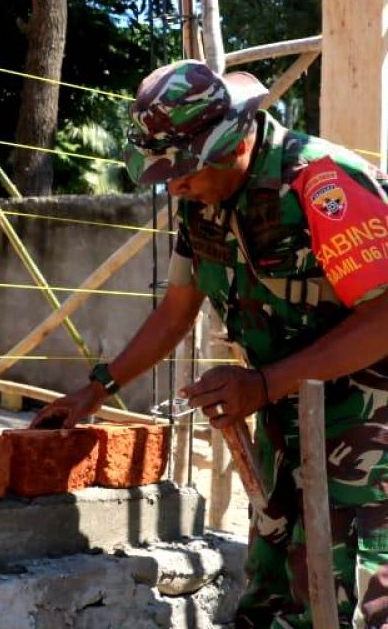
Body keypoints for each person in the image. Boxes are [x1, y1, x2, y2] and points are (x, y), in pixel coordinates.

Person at [33, 60, 388, 628]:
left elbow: (385, 315)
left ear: (234, 144)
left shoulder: (320, 182)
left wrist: (266, 382)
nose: (174, 185)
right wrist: (96, 389)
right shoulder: (202, 200)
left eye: (185, 171)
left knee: (346, 589)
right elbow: (178, 307)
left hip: (370, 423)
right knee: (272, 578)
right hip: (284, 409)